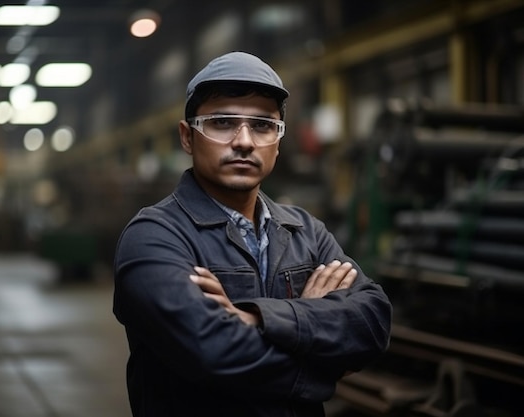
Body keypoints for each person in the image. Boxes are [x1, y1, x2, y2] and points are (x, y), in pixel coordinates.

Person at [113, 51, 392, 417]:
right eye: (223, 122)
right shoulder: (155, 237)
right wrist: (321, 363)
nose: (244, 141)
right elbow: (211, 351)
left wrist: (258, 318)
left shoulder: (305, 231)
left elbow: (373, 321)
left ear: (277, 141)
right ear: (187, 137)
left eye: (262, 125)